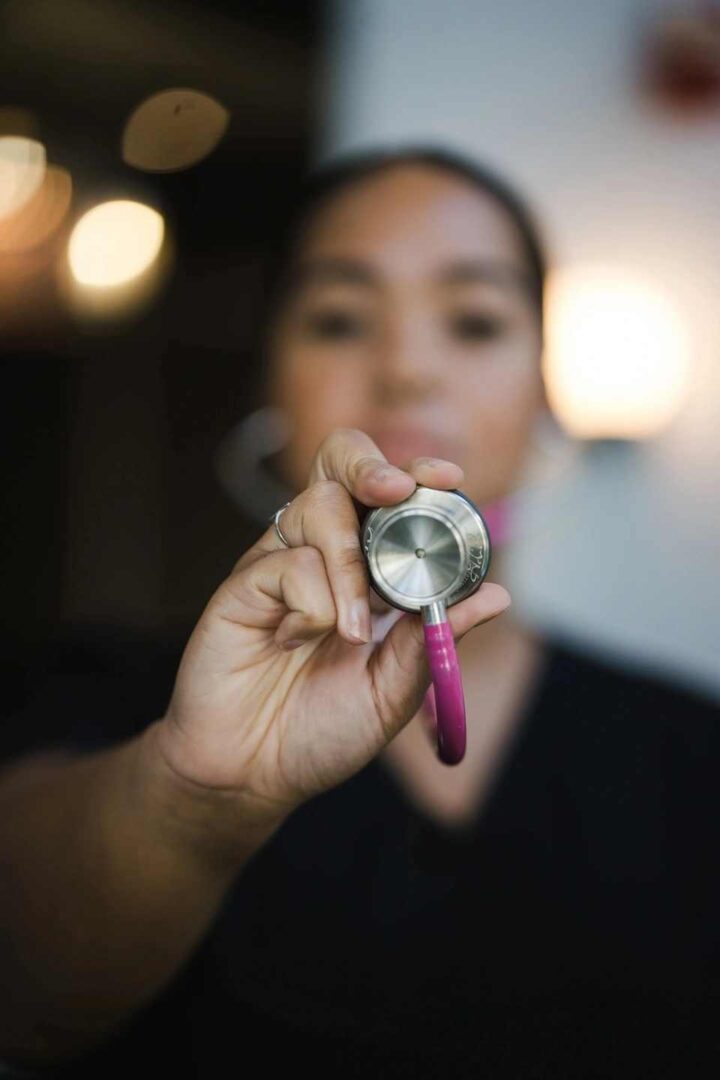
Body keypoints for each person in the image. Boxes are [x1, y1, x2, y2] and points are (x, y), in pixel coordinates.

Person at [1, 146, 719, 1080]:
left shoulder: (691, 754)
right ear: (271, 381)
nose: (408, 371)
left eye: (474, 320)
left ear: (546, 386)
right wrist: (190, 800)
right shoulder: (110, 693)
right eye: (340, 319)